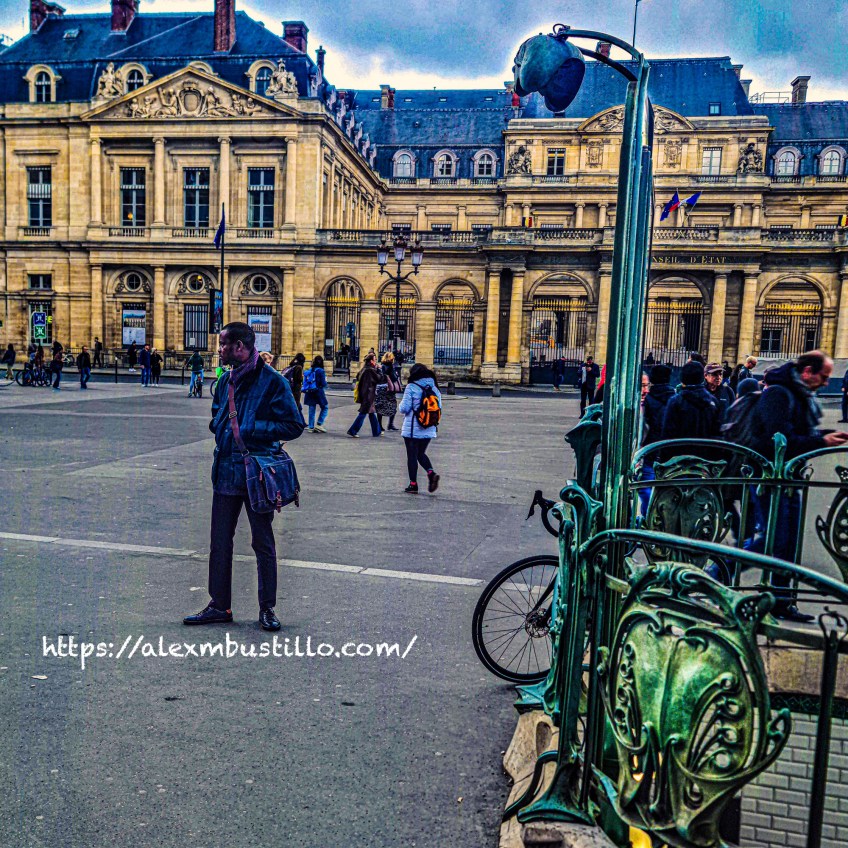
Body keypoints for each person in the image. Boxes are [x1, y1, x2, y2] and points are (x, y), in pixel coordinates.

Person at [183, 321, 304, 631]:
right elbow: (217, 414)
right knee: (219, 541)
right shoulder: (225, 380)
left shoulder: (273, 382)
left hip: (257, 473)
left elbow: (294, 425)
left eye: (223, 344)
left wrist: (251, 430)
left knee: (262, 542)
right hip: (225, 469)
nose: (219, 349)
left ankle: (267, 607)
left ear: (239, 346)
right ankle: (219, 605)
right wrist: (219, 427)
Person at [745, 351, 848, 622]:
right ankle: (716, 575)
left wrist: (824, 436)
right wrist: (821, 442)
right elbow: (778, 440)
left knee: (788, 543)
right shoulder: (778, 394)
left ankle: (781, 602)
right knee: (773, 541)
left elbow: (797, 435)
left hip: (789, 478)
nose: (826, 383)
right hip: (769, 479)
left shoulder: (797, 395)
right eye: (823, 377)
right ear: (807, 372)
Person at [399, 363, 441, 494]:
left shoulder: (411, 387)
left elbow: (404, 408)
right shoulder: (434, 387)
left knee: (412, 455)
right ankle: (431, 473)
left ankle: (413, 484)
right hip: (429, 427)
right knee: (421, 453)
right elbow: (439, 406)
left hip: (413, 427)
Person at [639, 364, 675, 515]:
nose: (645, 389)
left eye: (647, 385)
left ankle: (650, 517)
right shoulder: (675, 398)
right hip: (669, 453)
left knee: (645, 486)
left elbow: (643, 430)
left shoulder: (648, 400)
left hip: (650, 451)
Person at [659, 361, 720, 451]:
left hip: (680, 455)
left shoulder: (675, 402)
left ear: (682, 379)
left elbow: (667, 435)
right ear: (702, 377)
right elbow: (717, 433)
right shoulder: (713, 402)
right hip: (706, 456)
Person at [348, 353, 383, 437]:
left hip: (365, 393)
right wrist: (379, 369)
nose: (376, 361)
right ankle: (353, 430)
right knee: (363, 413)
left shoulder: (364, 369)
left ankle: (377, 431)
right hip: (368, 395)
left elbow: (358, 377)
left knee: (371, 412)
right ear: (371, 361)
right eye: (375, 360)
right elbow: (379, 379)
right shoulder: (370, 370)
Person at [303, 355, 329, 432]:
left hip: (309, 391)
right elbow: (323, 383)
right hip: (318, 391)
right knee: (325, 407)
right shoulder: (321, 371)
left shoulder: (310, 370)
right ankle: (319, 424)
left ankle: (311, 427)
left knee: (312, 408)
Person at [376, 351, 401, 431]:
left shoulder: (381, 366)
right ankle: (390, 424)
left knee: (380, 407)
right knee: (393, 406)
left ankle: (379, 425)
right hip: (389, 389)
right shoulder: (390, 366)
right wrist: (396, 375)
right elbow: (394, 378)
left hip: (380, 388)